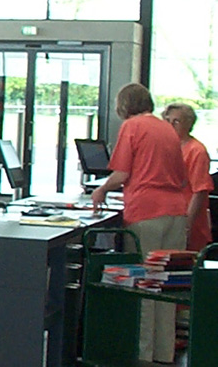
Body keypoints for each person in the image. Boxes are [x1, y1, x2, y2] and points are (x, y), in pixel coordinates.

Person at [91, 83, 190, 254]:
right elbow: (182, 180)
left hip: (146, 211)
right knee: (170, 268)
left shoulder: (132, 126)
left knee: (144, 267)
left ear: (123, 105)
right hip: (176, 211)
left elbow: (121, 174)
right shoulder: (167, 128)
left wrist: (102, 190)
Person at [163, 101, 213, 253]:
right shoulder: (166, 148)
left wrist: (187, 225)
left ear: (189, 124)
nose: (171, 125)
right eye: (167, 120)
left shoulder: (197, 151)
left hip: (188, 222)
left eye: (176, 121)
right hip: (167, 219)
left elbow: (200, 191)